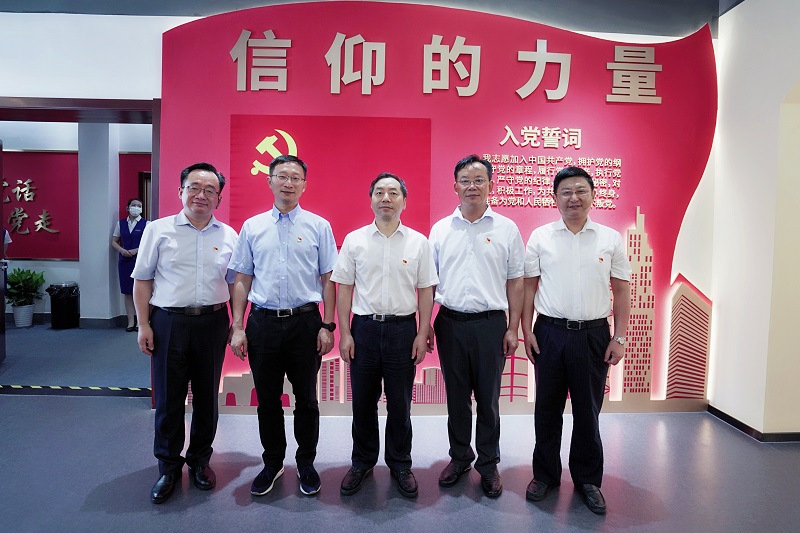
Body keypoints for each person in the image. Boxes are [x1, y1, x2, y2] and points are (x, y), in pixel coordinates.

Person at [521, 166, 631, 515]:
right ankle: (545, 475)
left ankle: (587, 480)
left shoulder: (609, 239)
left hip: (593, 335)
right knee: (547, 409)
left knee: (588, 411)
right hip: (550, 332)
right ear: (554, 197)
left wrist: (620, 337)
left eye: (581, 191)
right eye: (566, 192)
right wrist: (526, 330)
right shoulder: (540, 237)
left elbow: (622, 290)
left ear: (593, 195)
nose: (574, 198)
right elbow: (528, 288)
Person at [229, 155, 337, 497]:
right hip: (262, 322)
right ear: (270, 181)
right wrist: (238, 326)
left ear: (304, 184)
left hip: (306, 322)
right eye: (282, 176)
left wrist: (328, 324)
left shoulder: (319, 226)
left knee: (306, 399)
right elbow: (242, 279)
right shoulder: (252, 226)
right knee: (267, 400)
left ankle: (306, 463)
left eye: (295, 178)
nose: (288, 183)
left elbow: (329, 279)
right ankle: (273, 462)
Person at [132, 162, 238, 504]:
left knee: (207, 398)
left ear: (218, 198)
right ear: (181, 191)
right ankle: (168, 467)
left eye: (209, 190)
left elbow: (235, 284)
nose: (201, 195)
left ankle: (200, 462)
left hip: (212, 322)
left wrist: (237, 324)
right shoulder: (158, 230)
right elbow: (143, 280)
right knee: (168, 398)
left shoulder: (229, 235)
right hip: (169, 322)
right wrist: (144, 324)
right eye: (194, 187)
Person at [332, 172, 437, 499]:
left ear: (404, 201)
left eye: (393, 193)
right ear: (371, 200)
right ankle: (362, 462)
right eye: (379, 192)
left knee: (400, 404)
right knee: (363, 403)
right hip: (363, 330)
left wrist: (422, 331)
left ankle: (400, 464)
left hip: (403, 331)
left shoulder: (419, 242)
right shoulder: (355, 240)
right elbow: (344, 288)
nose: (386, 198)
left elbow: (425, 290)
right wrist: (345, 333)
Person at [428, 154, 524, 498]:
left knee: (488, 399)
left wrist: (513, 328)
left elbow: (516, 281)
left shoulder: (507, 229)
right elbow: (427, 282)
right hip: (450, 323)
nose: (472, 186)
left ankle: (488, 463)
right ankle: (459, 458)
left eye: (479, 180)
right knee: (456, 398)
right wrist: (425, 324)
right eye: (465, 181)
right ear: (455, 187)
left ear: (490, 185)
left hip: (490, 325)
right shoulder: (441, 229)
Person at [111, 198, 147, 331]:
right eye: (133, 205)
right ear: (128, 208)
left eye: (139, 206)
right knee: (127, 292)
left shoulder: (147, 224)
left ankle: (141, 322)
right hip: (124, 261)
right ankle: (131, 322)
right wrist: (121, 250)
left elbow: (148, 243)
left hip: (140, 260)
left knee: (141, 292)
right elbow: (114, 241)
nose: (136, 208)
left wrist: (136, 250)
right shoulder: (120, 224)